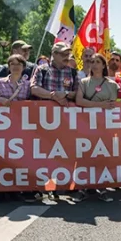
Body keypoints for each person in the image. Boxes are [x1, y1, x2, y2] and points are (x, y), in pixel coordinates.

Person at [30, 42, 79, 201]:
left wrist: (64, 94)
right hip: (44, 119)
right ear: (54, 54)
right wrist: (53, 96)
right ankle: (39, 186)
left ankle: (56, 186)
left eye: (67, 54)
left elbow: (77, 92)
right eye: (63, 54)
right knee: (42, 153)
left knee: (62, 153)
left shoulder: (72, 71)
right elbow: (34, 88)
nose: (66, 57)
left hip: (65, 120)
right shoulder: (42, 69)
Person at [75, 53, 118, 203]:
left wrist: (95, 105)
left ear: (104, 65)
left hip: (104, 126)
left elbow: (112, 105)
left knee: (101, 156)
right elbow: (79, 101)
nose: (94, 64)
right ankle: (82, 187)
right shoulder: (84, 82)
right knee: (85, 156)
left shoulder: (112, 84)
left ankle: (102, 187)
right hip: (86, 125)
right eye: (92, 61)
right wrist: (100, 105)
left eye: (98, 61)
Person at [0, 54, 32, 202]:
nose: (15, 67)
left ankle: (14, 190)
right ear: (8, 66)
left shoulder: (27, 84)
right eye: (12, 64)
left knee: (17, 158)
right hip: (2, 127)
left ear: (24, 67)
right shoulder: (0, 83)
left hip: (20, 126)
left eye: (19, 64)